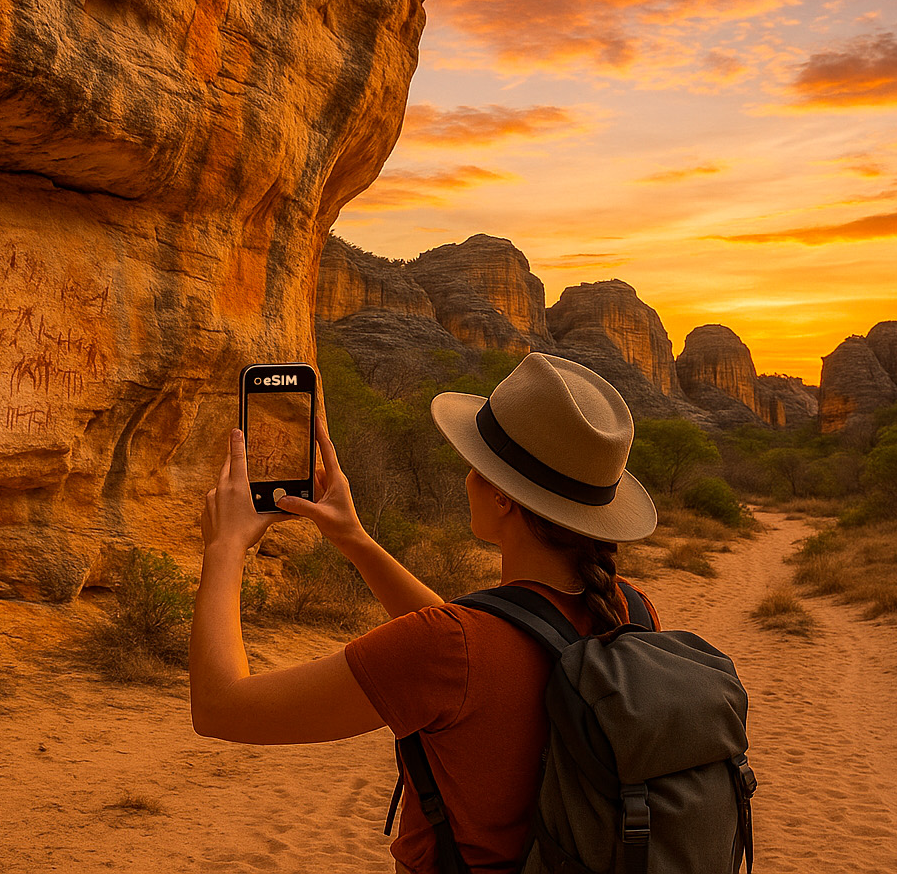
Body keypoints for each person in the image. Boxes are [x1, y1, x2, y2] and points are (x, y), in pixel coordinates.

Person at [190, 351, 661, 873]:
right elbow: (483, 653)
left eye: (474, 466)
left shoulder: (451, 650)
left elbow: (220, 708)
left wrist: (225, 547)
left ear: (503, 498)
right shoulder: (630, 608)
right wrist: (354, 538)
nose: (466, 478)